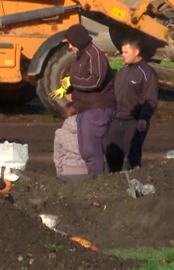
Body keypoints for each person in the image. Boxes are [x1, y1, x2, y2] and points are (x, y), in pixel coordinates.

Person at [49, 24, 115, 175]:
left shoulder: (95, 56)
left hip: (97, 109)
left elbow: (95, 80)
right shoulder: (80, 57)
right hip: (85, 110)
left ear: (78, 40)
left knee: (92, 152)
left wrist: (72, 82)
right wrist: (67, 88)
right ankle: (93, 184)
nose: (70, 46)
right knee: (86, 152)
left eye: (71, 42)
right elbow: (81, 80)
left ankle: (96, 186)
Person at [107, 37, 158, 172]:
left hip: (134, 123)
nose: (122, 55)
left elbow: (151, 99)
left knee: (133, 158)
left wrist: (143, 119)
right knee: (112, 156)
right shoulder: (121, 71)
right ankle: (114, 186)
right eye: (122, 52)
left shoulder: (147, 73)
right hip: (116, 121)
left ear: (136, 52)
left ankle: (135, 185)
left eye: (126, 52)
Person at [53, 103, 88, 181]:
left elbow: (57, 157)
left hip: (67, 172)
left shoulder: (60, 133)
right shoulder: (89, 131)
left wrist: (59, 173)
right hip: (85, 171)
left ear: (65, 116)